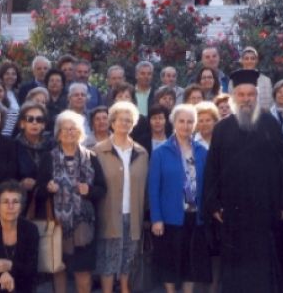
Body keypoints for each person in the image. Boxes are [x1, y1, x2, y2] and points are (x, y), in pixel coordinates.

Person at [203, 69, 283, 293]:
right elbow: (212, 169)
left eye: (250, 95)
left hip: (266, 211)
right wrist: (214, 206)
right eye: (241, 95)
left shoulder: (270, 124)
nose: (246, 99)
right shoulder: (222, 129)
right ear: (233, 97)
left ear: (257, 96)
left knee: (264, 269)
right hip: (233, 214)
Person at [37, 110, 107, 293]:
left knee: (83, 272)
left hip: (84, 225)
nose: (69, 132)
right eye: (65, 129)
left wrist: (89, 190)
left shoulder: (91, 157)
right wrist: (48, 188)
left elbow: (102, 189)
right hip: (57, 225)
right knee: (58, 268)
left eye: (73, 129)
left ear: (80, 132)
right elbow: (39, 192)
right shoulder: (48, 158)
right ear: (58, 134)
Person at [149, 103, 211, 292]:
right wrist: (156, 219)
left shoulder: (202, 151)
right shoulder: (161, 152)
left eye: (190, 122)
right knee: (170, 262)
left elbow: (208, 184)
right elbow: (153, 188)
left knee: (191, 262)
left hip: (195, 216)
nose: (186, 125)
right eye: (181, 121)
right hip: (170, 217)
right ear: (174, 123)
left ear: (195, 124)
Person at [93, 101, 149, 293]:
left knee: (129, 258)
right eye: (121, 120)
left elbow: (145, 187)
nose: (125, 123)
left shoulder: (141, 153)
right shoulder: (98, 151)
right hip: (108, 214)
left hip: (133, 215)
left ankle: (125, 289)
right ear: (112, 122)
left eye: (129, 120)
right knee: (108, 259)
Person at [15, 102, 54, 219]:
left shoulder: (53, 145)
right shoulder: (12, 146)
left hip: (49, 202)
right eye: (30, 119)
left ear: (43, 125)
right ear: (22, 124)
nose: (34, 123)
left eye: (39, 119)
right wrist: (20, 184)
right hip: (22, 203)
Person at [0, 62, 23, 137]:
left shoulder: (17, 94)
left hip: (12, 136)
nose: (10, 76)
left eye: (13, 74)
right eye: (7, 73)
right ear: (2, 75)